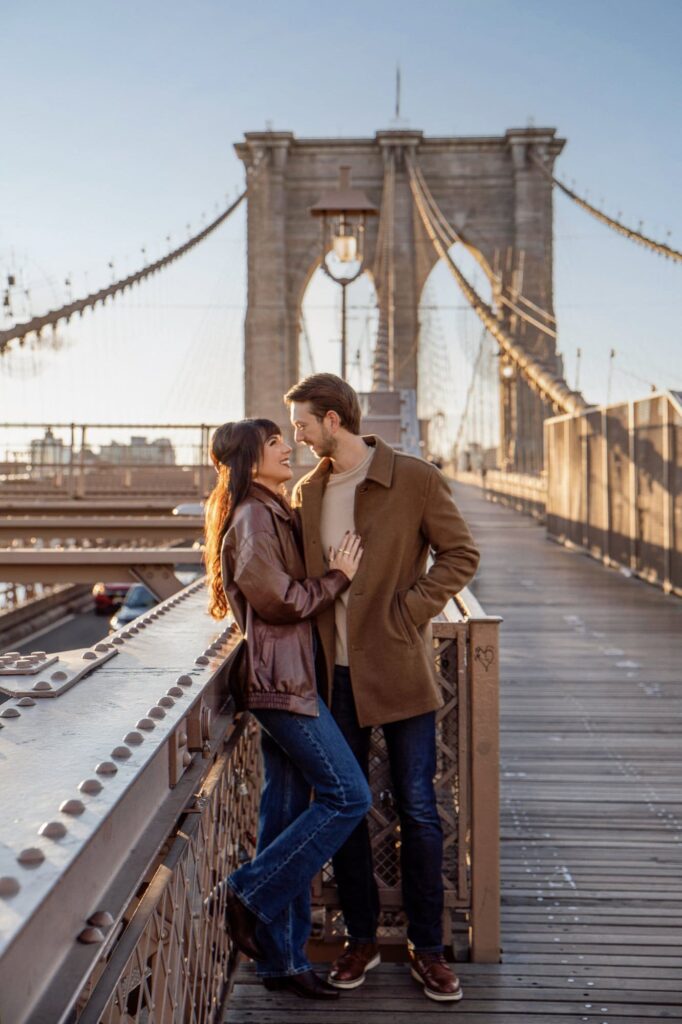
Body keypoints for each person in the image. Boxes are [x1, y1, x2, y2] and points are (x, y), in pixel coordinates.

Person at [285, 374, 480, 1003]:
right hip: (333, 676)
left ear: (334, 420)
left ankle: (429, 949)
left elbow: (460, 554)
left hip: (398, 669)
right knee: (347, 808)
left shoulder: (415, 478)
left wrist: (409, 609)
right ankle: (362, 938)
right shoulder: (306, 492)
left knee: (419, 811)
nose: (297, 435)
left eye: (303, 424)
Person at [204, 418, 372, 1001]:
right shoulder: (253, 516)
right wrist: (337, 578)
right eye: (277, 443)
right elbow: (276, 600)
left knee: (282, 819)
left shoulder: (270, 508)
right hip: (283, 684)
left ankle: (283, 962)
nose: (287, 449)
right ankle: (248, 892)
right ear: (253, 456)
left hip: (291, 680)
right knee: (349, 795)